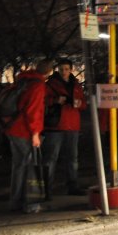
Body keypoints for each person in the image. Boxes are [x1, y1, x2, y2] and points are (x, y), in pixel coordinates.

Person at [3, 59, 51, 213]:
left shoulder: (24, 80)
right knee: (29, 166)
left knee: (18, 166)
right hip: (24, 131)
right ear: (49, 72)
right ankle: (30, 204)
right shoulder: (37, 85)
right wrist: (35, 133)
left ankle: (15, 202)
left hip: (13, 128)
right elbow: (33, 111)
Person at [42, 58, 87, 196]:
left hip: (72, 125)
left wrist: (79, 104)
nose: (64, 72)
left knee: (72, 158)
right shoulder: (50, 84)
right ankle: (46, 189)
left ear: (71, 70)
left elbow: (84, 104)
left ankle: (72, 186)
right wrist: (55, 101)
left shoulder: (76, 85)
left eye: (66, 69)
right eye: (61, 69)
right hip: (56, 126)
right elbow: (43, 101)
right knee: (50, 159)